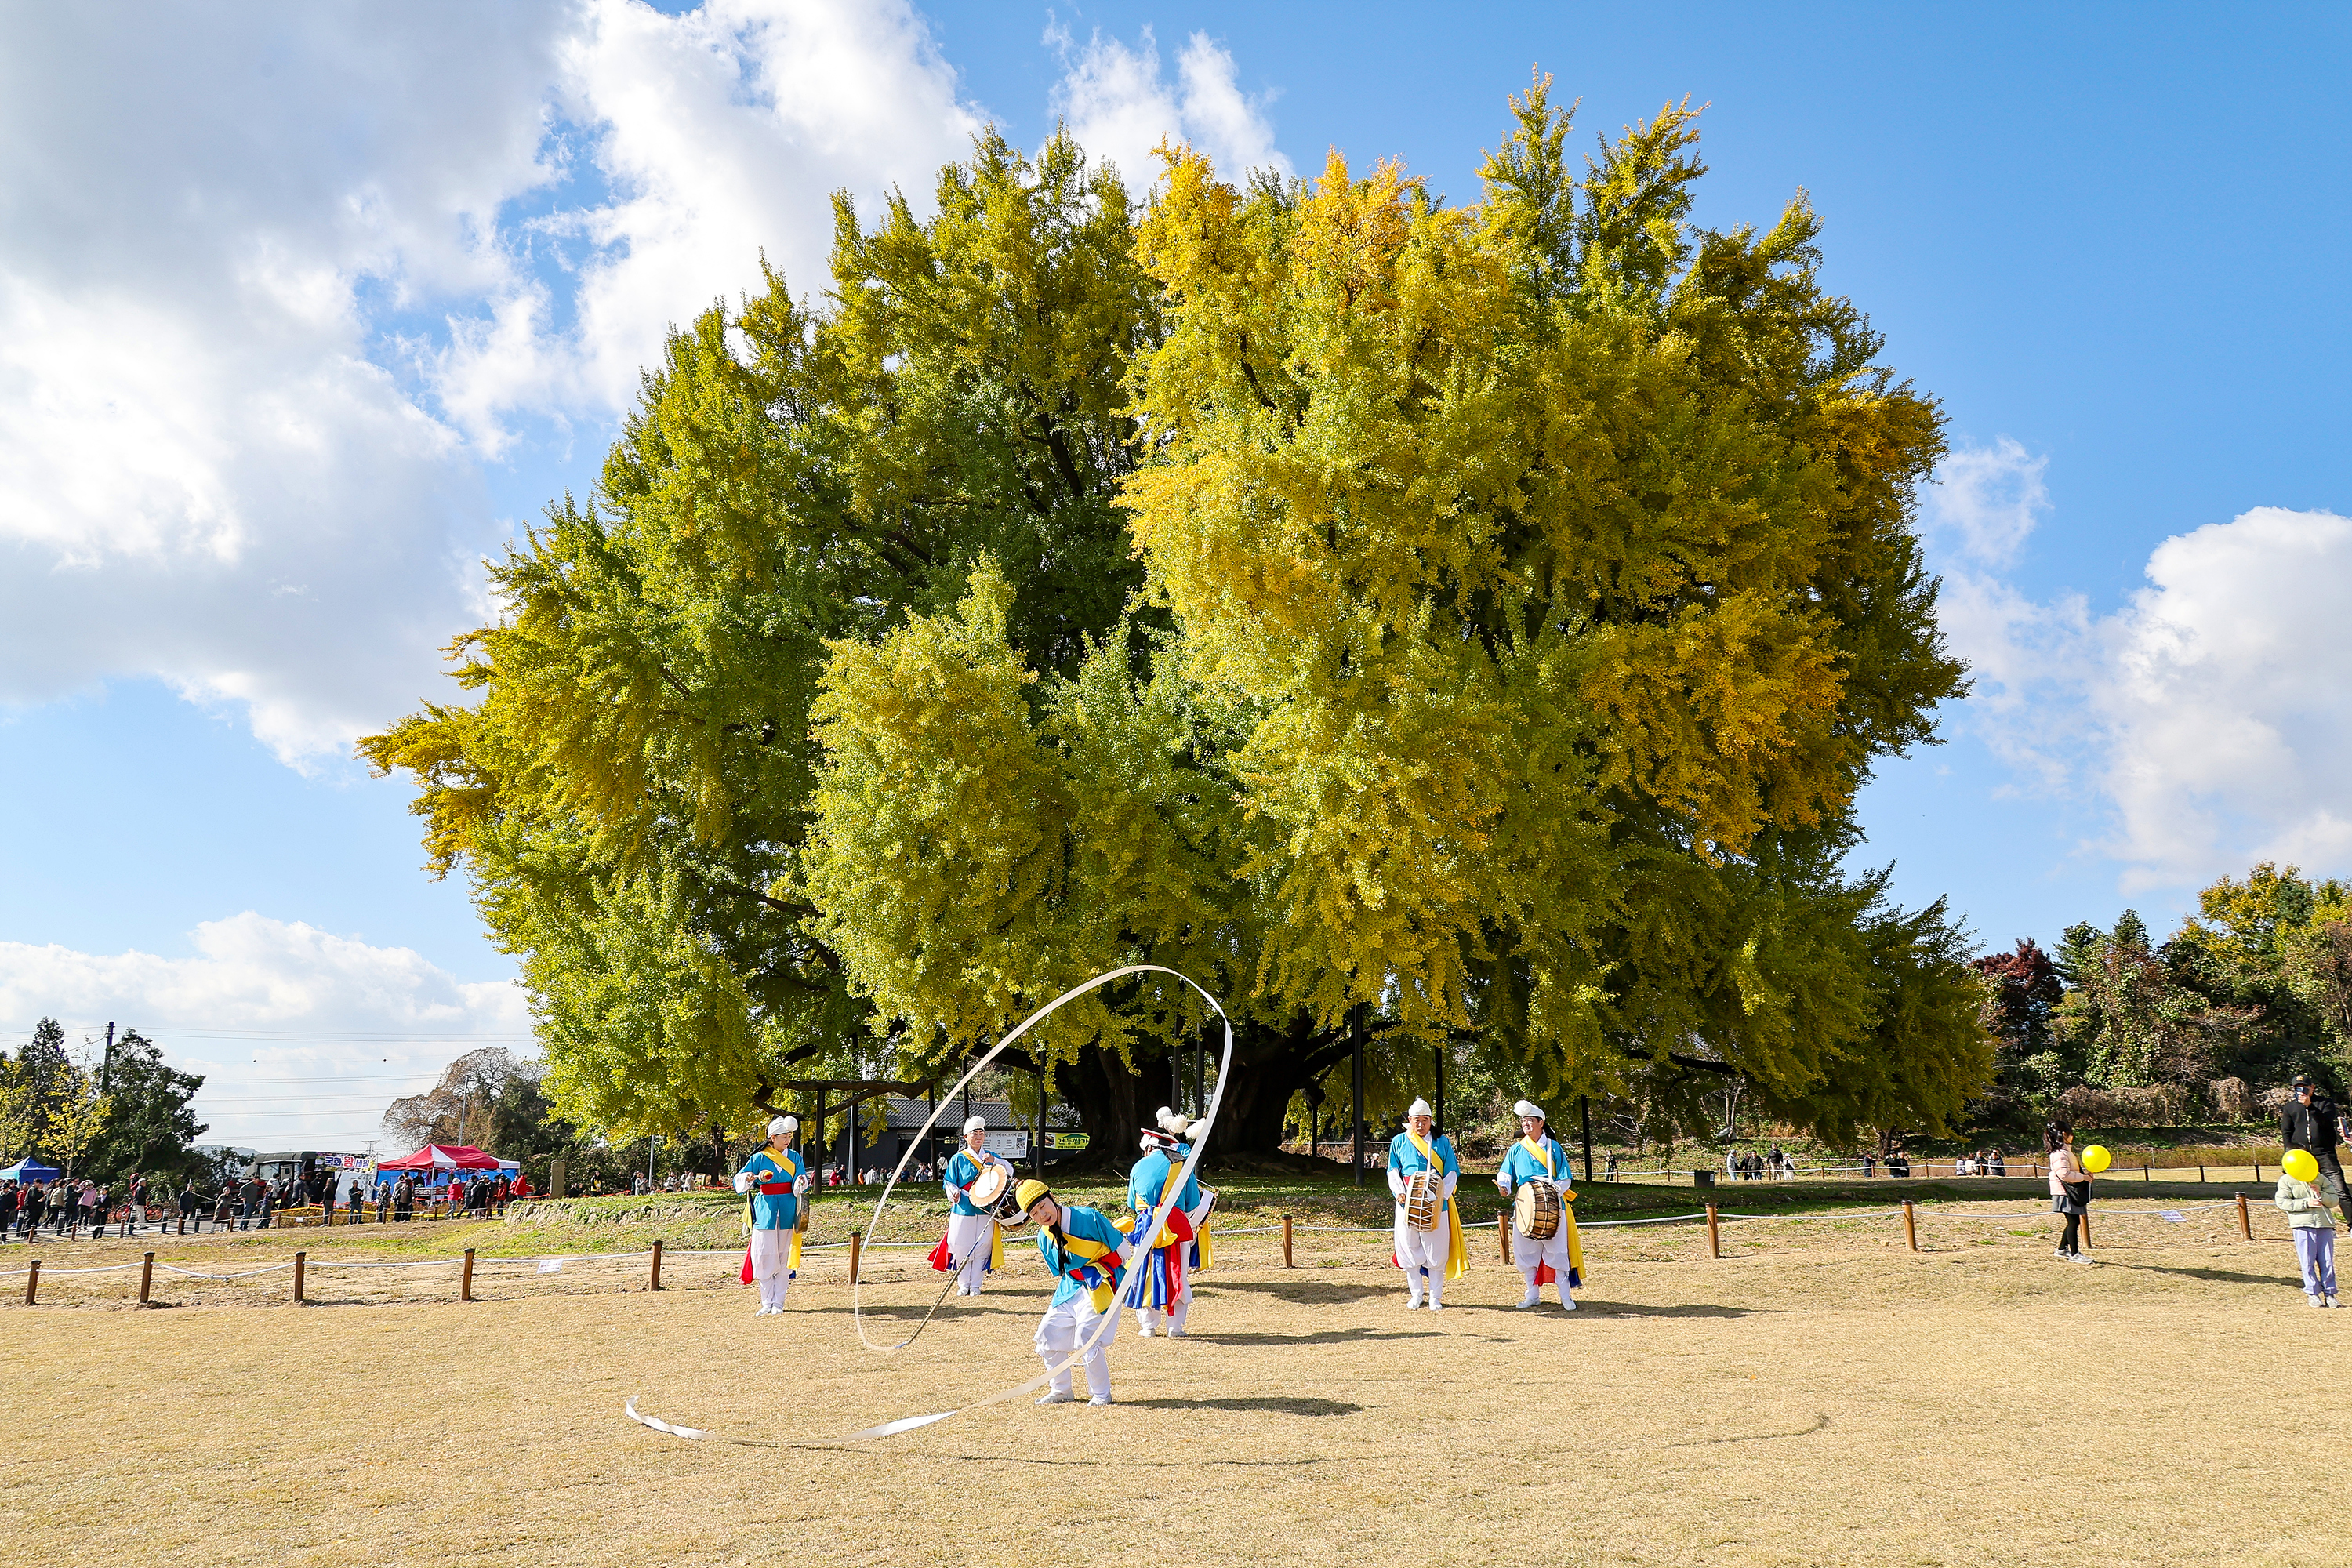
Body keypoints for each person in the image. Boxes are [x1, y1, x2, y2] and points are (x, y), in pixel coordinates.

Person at [1018, 1178, 1132, 1407]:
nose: (1042, 1214)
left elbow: (1124, 1252)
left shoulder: (1087, 1217)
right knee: (1047, 1334)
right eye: (1034, 1213)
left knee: (1086, 1338)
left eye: (1043, 1206)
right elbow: (1062, 1273)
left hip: (1102, 1283)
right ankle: (1061, 1389)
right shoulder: (1043, 1237)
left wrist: (1099, 1269)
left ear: (1051, 1198)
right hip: (1070, 1290)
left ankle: (1101, 1394)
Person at [1125, 1109, 1212, 1335]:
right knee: (1177, 1273)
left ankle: (1148, 1326)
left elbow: (1133, 1204)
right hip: (1175, 1225)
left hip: (1145, 1226)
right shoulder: (1182, 1165)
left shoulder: (1137, 1168)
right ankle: (1175, 1326)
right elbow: (1193, 1204)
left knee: (1144, 1273)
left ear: (1149, 1147)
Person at [1495, 1100, 1583, 1312]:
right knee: (1527, 1252)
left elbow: (1565, 1178)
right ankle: (1532, 1295)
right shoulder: (1516, 1149)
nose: (1526, 1124)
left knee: (1558, 1252)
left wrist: (1551, 1194)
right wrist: (1504, 1186)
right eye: (1523, 1120)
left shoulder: (1554, 1147)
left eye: (1530, 1120)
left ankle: (1565, 1296)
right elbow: (1505, 1174)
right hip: (1525, 1205)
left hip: (1553, 1205)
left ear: (1541, 1123)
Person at [1385, 1098, 1464, 1310]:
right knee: (1409, 1248)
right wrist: (1400, 1193)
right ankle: (1416, 1294)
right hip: (1407, 1201)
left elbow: (1451, 1172)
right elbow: (1393, 1170)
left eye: (1425, 1120)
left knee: (1436, 1250)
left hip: (1436, 1201)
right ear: (1409, 1120)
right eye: (1416, 1120)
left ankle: (1435, 1297)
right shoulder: (1399, 1141)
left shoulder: (1442, 1142)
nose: (1420, 1124)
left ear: (1431, 1121)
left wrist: (1442, 1197)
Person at [732, 1116, 809, 1316]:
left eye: (790, 1136)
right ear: (772, 1138)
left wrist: (800, 1182)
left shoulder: (794, 1157)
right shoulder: (758, 1158)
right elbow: (740, 1179)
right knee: (764, 1255)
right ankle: (766, 1302)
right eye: (784, 1136)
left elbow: (802, 1176)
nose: (787, 1140)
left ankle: (779, 1303)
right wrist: (748, 1178)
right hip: (765, 1209)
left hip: (788, 1207)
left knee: (784, 1255)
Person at [933, 1116, 1014, 1298]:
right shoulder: (958, 1158)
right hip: (964, 1207)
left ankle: (976, 1285)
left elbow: (1009, 1171)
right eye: (974, 1134)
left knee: (983, 1247)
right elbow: (949, 1182)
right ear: (965, 1137)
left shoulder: (990, 1156)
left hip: (986, 1209)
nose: (978, 1137)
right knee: (961, 1246)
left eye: (981, 1134)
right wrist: (953, 1193)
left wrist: (995, 1161)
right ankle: (963, 1284)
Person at [2281, 1075, 2349, 1221]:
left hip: (2324, 1154)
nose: (2301, 1090)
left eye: (2304, 1087)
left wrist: (2309, 1106)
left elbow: (2326, 1123)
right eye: (2297, 1087)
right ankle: (2313, 1222)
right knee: (2304, 1192)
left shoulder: (2325, 1103)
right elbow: (2287, 1132)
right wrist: (2288, 1152)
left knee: (2340, 1190)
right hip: (2301, 1156)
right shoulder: (2290, 1107)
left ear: (2312, 1088)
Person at [2276, 1159, 2343, 1307]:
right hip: (2302, 1225)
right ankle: (2313, 1294)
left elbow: (2334, 1200)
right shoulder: (2286, 1180)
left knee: (2327, 1261)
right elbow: (2282, 1202)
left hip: (2324, 1224)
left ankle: (2330, 1294)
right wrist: (2305, 1203)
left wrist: (2321, 1195)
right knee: (2307, 1261)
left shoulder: (2320, 1178)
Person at [2046, 1119, 2093, 1262]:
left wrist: (2084, 1175)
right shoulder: (2060, 1154)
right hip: (2064, 1192)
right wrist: (2083, 1178)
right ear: (2065, 1134)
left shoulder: (2065, 1152)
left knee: (2073, 1222)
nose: (2073, 1136)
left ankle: (2061, 1249)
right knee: (2073, 1222)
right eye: (2071, 1133)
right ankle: (2074, 1254)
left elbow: (2069, 1171)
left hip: (2068, 1191)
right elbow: (2064, 1175)